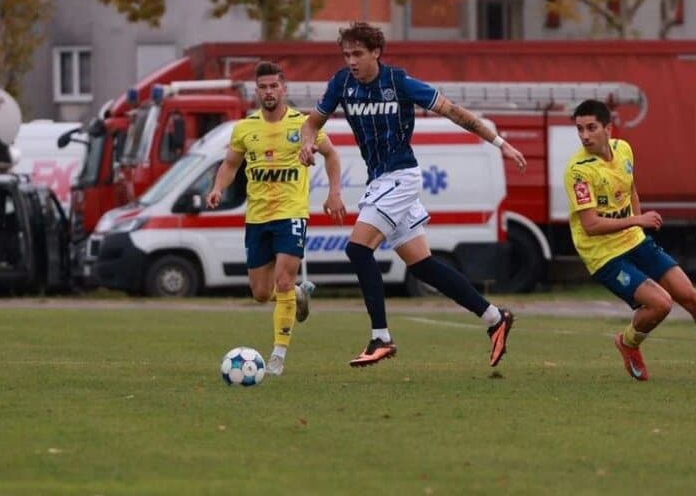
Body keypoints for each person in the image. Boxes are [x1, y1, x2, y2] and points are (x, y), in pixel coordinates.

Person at [299, 21, 525, 368]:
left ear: (376, 52)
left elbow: (453, 112)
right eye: (346, 55)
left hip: (401, 178)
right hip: (380, 181)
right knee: (424, 266)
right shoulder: (341, 83)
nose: (351, 62)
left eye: (358, 54)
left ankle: (381, 337)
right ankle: (495, 318)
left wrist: (498, 142)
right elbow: (311, 122)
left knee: (358, 250)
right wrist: (307, 143)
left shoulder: (399, 82)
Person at [564, 99, 696, 381]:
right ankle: (627, 342)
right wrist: (638, 220)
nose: (585, 135)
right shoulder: (578, 171)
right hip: (603, 254)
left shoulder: (623, 149)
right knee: (661, 304)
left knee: (693, 298)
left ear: (608, 128)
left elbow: (631, 190)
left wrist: (638, 229)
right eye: (580, 129)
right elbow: (591, 225)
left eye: (591, 128)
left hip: (634, 240)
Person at [207, 61, 345, 376]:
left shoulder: (304, 124)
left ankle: (277, 356)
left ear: (284, 89)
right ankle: (297, 294)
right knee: (260, 293)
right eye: (263, 87)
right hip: (257, 217)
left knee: (282, 280)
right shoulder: (245, 128)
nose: (268, 92)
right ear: (257, 91)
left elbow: (332, 155)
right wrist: (217, 188)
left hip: (291, 213)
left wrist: (334, 193)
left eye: (274, 86)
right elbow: (230, 165)